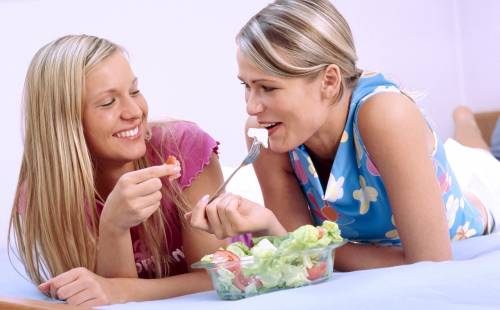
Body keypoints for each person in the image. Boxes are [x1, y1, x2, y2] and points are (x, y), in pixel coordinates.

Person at [187, 0, 497, 271]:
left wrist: (291, 240)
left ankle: (465, 121)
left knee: (477, 155)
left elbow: (430, 262)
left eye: (267, 87)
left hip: (480, 201)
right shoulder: (265, 135)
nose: (252, 106)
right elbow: (298, 245)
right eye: (246, 85)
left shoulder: (387, 115)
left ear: (329, 81)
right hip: (401, 188)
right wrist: (268, 227)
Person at [8, 35, 226, 306]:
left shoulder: (184, 148)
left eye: (134, 91)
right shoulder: (44, 194)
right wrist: (114, 226)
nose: (134, 111)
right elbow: (103, 299)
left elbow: (217, 277)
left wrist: (119, 291)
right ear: (65, 123)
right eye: (108, 102)